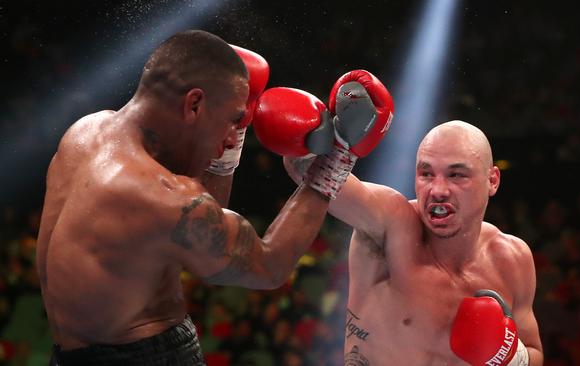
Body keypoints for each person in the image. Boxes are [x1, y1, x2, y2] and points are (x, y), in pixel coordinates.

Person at [36, 29, 390, 365]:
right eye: (234, 120)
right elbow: (268, 265)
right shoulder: (163, 199)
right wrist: (337, 158)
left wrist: (223, 154)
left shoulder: (83, 134)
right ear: (194, 104)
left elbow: (201, 224)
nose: (235, 138)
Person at [282, 120, 544, 365]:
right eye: (426, 174)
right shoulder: (388, 225)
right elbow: (304, 167)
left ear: (492, 180)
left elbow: (535, 353)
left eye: (456, 175)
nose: (438, 190)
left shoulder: (512, 259)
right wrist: (331, 129)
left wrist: (510, 356)